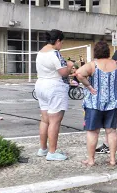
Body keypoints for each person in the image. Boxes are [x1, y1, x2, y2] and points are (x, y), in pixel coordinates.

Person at [75, 41, 117, 167]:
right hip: (112, 102)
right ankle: (112, 159)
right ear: (108, 52)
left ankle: (91, 160)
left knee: (93, 132)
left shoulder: (93, 65)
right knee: (111, 131)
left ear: (95, 52)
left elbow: (79, 73)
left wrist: (89, 86)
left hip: (94, 103)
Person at [34, 29, 73, 161]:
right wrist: (70, 66)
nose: (61, 45)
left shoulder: (40, 52)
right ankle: (52, 152)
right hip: (54, 87)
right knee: (55, 121)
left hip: (41, 85)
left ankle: (43, 148)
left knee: (45, 119)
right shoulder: (55, 54)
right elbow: (63, 72)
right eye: (61, 42)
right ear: (57, 41)